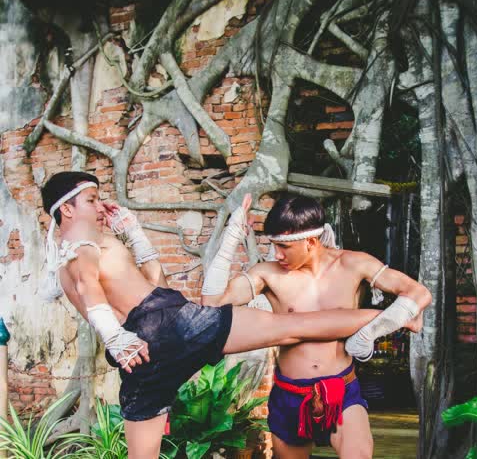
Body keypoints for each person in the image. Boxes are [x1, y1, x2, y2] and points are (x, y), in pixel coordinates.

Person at [40, 172, 387, 459]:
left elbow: (156, 288)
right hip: (164, 327)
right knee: (291, 327)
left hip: (141, 353)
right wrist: (113, 335)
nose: (101, 207)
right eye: (91, 200)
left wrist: (134, 233)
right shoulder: (83, 234)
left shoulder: (64, 262)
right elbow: (89, 284)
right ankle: (389, 317)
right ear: (66, 210)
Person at [201, 194, 431, 459]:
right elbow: (212, 303)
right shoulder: (268, 274)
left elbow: (418, 293)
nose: (277, 254)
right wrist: (231, 236)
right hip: (290, 395)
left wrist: (372, 332)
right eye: (274, 245)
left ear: (310, 242)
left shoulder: (353, 264)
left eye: (283, 246)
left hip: (341, 391)